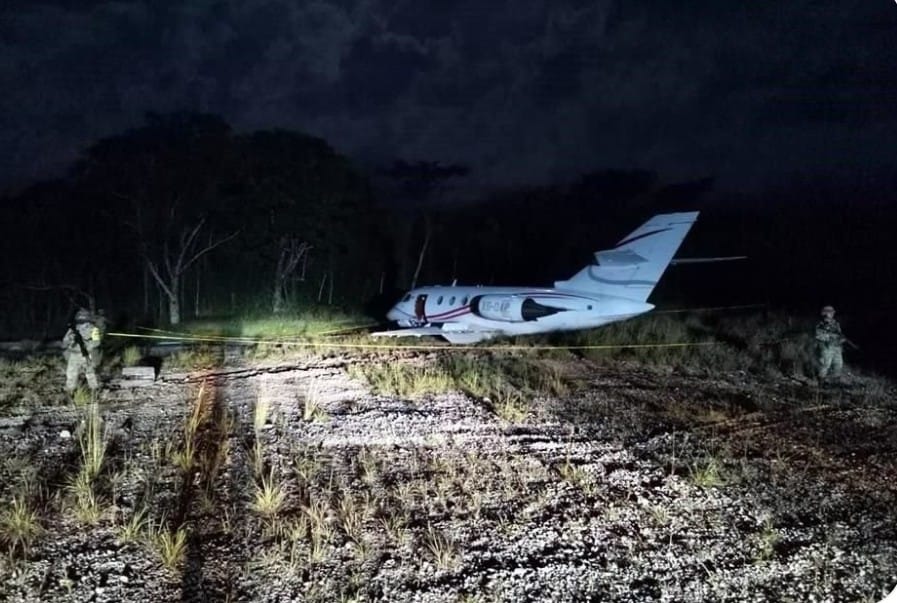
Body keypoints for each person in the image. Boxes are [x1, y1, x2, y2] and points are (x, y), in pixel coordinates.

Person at [62, 307, 103, 394]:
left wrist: (87, 346)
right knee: (71, 373)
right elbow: (65, 341)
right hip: (74, 353)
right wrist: (71, 340)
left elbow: (97, 342)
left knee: (90, 372)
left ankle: (94, 389)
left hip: (86, 354)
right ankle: (70, 390)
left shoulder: (94, 329)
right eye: (80, 317)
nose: (81, 320)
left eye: (83, 317)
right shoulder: (72, 329)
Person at [814, 305, 846, 384]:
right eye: (829, 312)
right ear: (825, 313)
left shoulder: (836, 324)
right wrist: (830, 337)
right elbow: (818, 336)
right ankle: (821, 381)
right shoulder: (821, 324)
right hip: (826, 347)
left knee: (838, 364)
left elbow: (839, 334)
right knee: (825, 364)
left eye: (832, 312)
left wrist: (841, 340)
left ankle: (835, 381)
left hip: (836, 347)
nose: (831, 314)